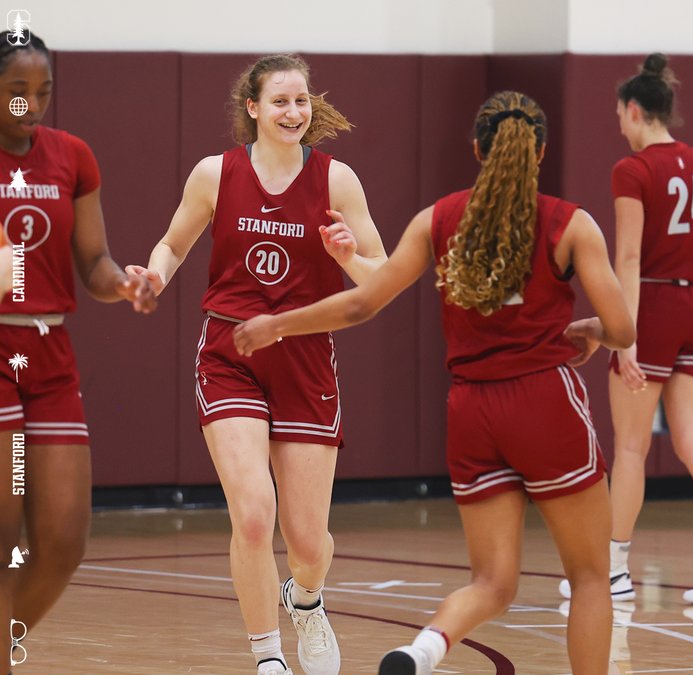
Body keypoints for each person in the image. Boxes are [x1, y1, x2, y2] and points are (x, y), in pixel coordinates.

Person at [232, 90, 636, 675]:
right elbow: (624, 328)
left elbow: (361, 304)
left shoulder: (438, 219)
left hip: (472, 411)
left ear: (476, 148)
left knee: (492, 582)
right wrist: (594, 330)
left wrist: (277, 324)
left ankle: (424, 649)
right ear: (540, 153)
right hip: (545, 400)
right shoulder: (569, 223)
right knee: (592, 576)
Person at [126, 54, 387, 675]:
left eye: (301, 102)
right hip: (231, 352)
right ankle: (267, 657)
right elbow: (172, 243)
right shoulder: (215, 175)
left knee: (306, 543)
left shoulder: (337, 181)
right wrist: (154, 276)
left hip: (305, 358)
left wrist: (349, 255)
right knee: (251, 515)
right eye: (280, 102)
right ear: (253, 108)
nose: (293, 112)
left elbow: (381, 278)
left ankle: (307, 598)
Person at [561, 53, 693, 606]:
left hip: (651, 305)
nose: (618, 126)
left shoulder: (632, 170)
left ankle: (614, 570)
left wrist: (622, 336)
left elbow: (627, 257)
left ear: (633, 110)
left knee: (629, 448)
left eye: (619, 115)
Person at [0, 31, 156, 666]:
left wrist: (124, 284)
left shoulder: (73, 156)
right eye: (16, 92)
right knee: (4, 533)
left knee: (63, 541)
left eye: (43, 93)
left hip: (50, 352)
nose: (30, 106)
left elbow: (91, 260)